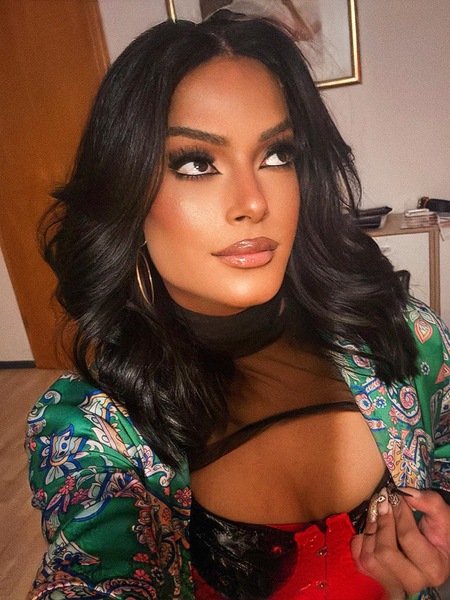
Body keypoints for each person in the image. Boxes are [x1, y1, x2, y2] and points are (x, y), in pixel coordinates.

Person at [26, 10, 450, 600]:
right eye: (196, 164)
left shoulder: (401, 333)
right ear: (125, 190)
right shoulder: (92, 428)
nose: (254, 202)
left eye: (277, 155)